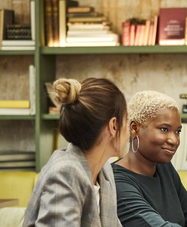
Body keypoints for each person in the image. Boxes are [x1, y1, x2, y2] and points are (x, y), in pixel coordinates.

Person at [23, 77, 128, 227]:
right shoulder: (66, 173)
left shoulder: (105, 172)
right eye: (126, 120)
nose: (129, 131)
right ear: (113, 126)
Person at [112, 90, 187, 227]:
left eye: (178, 131)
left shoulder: (164, 167)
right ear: (134, 128)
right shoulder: (116, 181)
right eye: (164, 129)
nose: (174, 140)